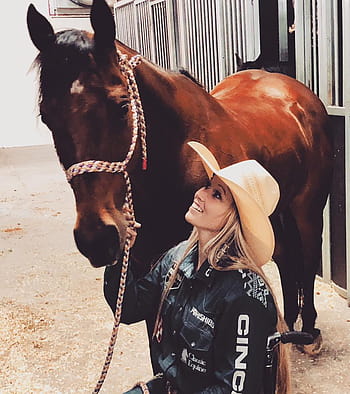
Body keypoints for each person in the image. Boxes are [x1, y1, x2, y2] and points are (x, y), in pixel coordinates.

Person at [104, 141, 291, 393]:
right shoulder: (179, 257)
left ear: (234, 219)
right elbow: (128, 308)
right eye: (207, 185)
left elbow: (233, 390)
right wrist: (119, 253)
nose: (200, 194)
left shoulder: (244, 296)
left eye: (217, 195)